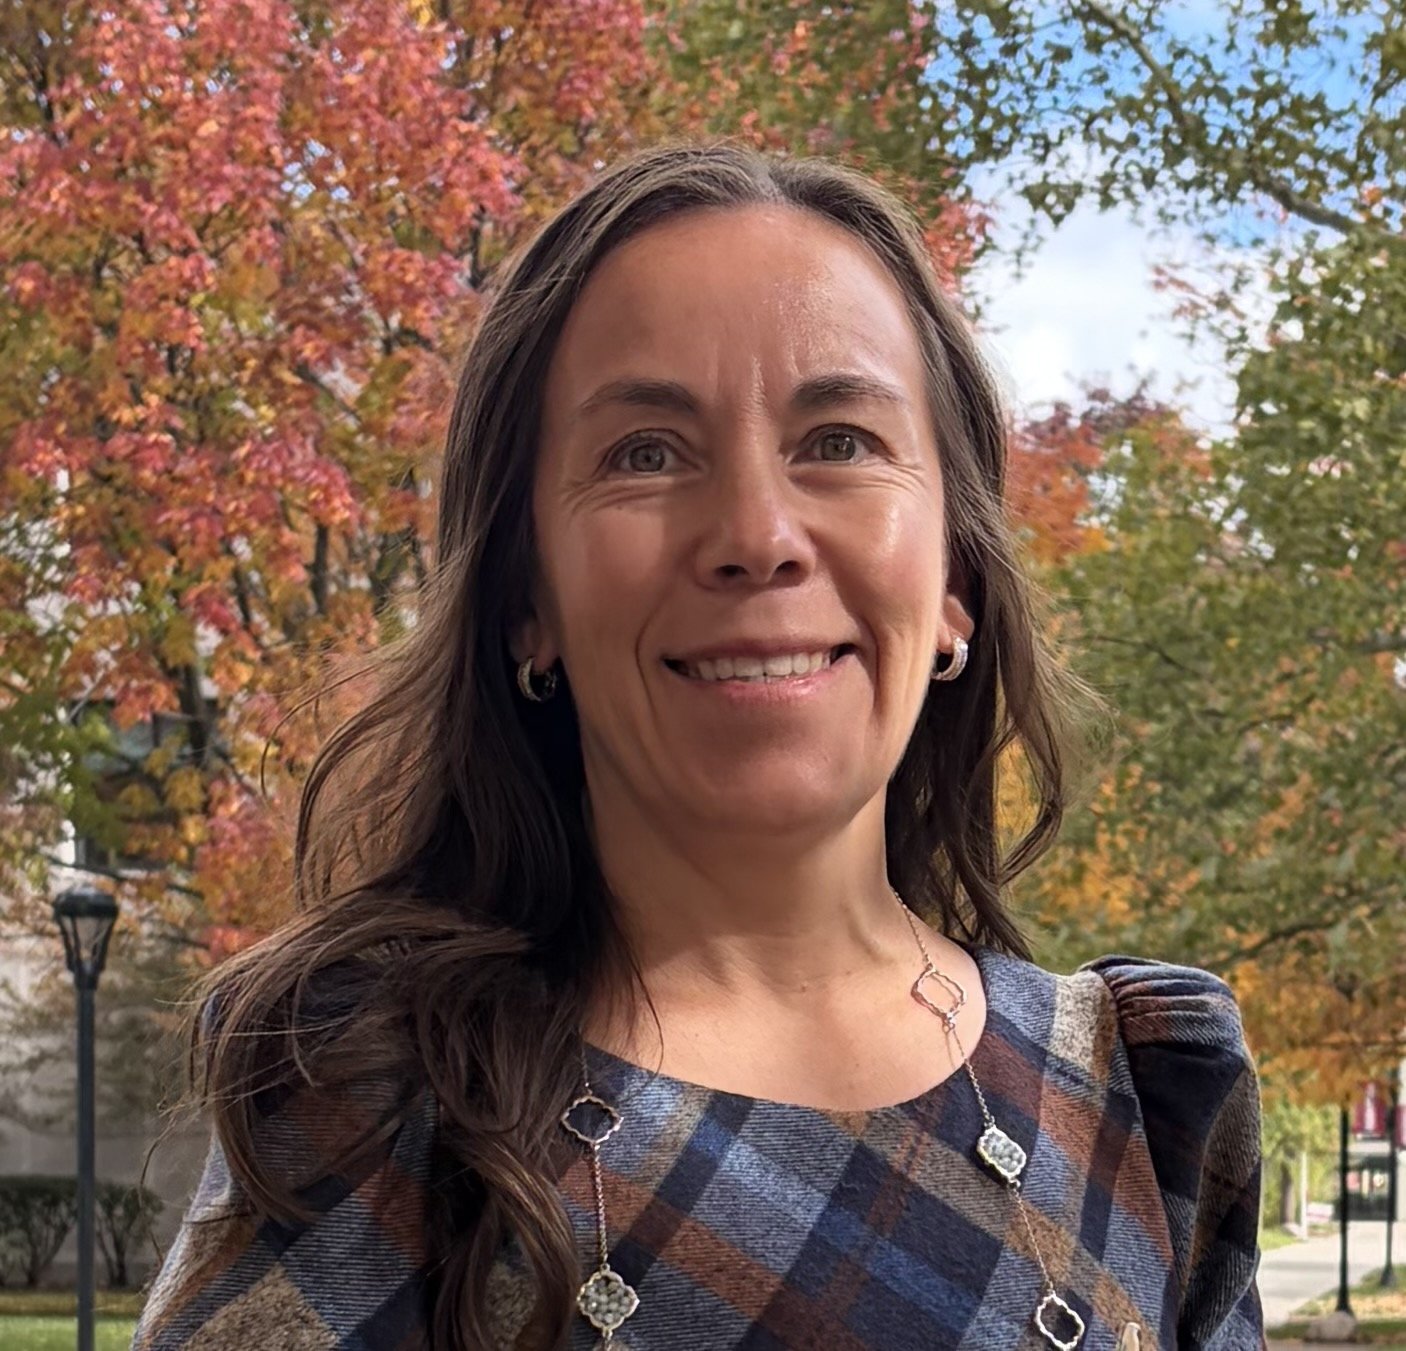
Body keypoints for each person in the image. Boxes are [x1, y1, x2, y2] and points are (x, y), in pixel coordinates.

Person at [132, 143, 1264, 1351]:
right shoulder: (374, 1098)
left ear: (955, 586)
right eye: (644, 453)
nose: (756, 535)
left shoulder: (1149, 1100)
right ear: (530, 603)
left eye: (837, 439)